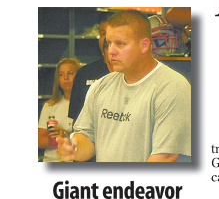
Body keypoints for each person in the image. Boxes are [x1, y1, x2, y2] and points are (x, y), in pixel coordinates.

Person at [56, 11, 191, 165]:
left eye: (120, 44)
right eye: (109, 42)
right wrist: (74, 147)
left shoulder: (172, 88)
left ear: (144, 45)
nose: (111, 51)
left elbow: (165, 157)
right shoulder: (101, 86)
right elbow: (87, 137)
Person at [38, 57, 81, 162]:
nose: (66, 77)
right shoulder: (49, 106)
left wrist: (64, 135)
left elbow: (88, 141)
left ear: (79, 76)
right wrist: (65, 138)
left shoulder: (86, 105)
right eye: (61, 74)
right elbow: (40, 140)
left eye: (70, 73)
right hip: (51, 160)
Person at [68, 21, 111, 124]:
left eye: (110, 33)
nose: (106, 39)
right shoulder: (84, 73)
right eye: (103, 33)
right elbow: (76, 120)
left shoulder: (130, 73)